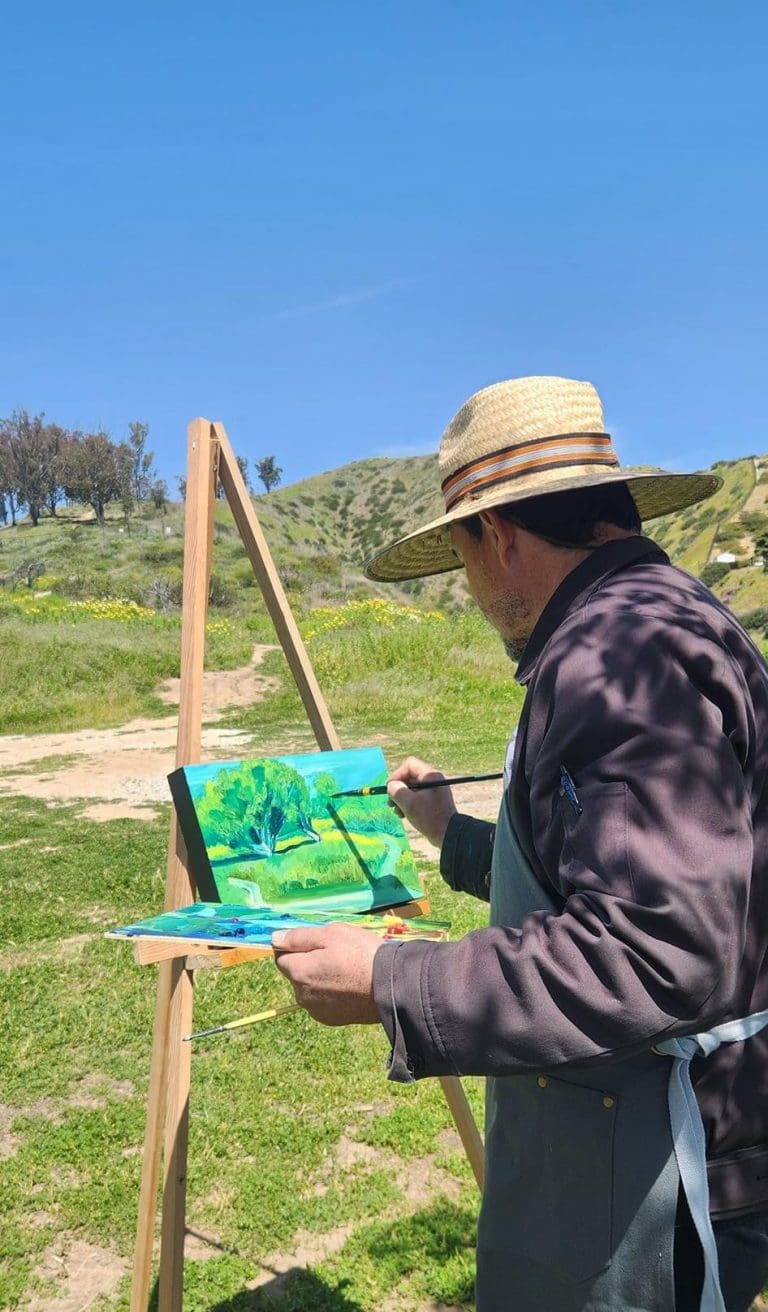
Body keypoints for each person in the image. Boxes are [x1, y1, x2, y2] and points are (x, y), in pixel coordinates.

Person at [273, 375, 768, 1311]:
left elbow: (650, 950)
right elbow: (612, 867)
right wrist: (453, 835)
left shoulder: (616, 657)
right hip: (679, 1136)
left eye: (459, 558)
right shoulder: (665, 614)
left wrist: (388, 982)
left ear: (495, 536)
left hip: (664, 1170)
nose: (468, 590)